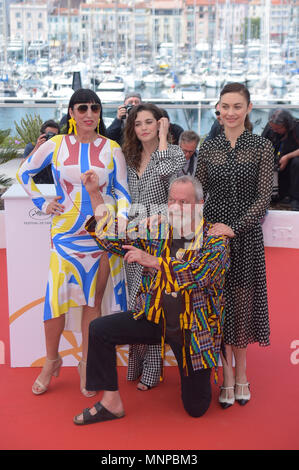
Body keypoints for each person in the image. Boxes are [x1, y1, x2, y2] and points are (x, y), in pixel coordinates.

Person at [72, 174, 230, 425]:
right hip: (154, 318)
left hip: (192, 329)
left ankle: (203, 372)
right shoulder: (156, 228)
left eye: (184, 202)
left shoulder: (215, 238)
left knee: (197, 407)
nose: (175, 207)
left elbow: (200, 274)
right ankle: (111, 402)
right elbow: (113, 240)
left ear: (199, 205)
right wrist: (94, 194)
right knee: (99, 329)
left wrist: (152, 261)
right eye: (171, 200)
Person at [16, 88, 130, 397]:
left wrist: (119, 218)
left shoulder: (112, 148)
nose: (89, 114)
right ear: (72, 113)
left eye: (94, 108)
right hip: (64, 235)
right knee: (55, 302)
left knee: (92, 303)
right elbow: (24, 173)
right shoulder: (55, 144)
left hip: (99, 236)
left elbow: (122, 191)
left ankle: (85, 364)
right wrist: (42, 203)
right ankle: (52, 361)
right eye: (82, 108)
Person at [195, 82, 274, 409]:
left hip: (244, 235)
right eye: (224, 106)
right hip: (213, 237)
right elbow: (199, 193)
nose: (230, 112)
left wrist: (235, 226)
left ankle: (241, 373)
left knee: (239, 306)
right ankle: (225, 374)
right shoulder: (207, 147)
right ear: (218, 108)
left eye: (236, 106)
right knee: (216, 307)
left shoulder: (262, 147)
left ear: (248, 108)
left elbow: (265, 196)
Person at [122, 102, 187, 391]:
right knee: (134, 302)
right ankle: (135, 363)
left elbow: (173, 185)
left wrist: (162, 140)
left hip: (161, 238)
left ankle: (153, 367)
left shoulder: (172, 153)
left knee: (153, 305)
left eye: (150, 122)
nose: (144, 128)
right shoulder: (128, 156)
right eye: (138, 124)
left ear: (160, 124)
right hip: (133, 236)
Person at [261, 108, 299, 211]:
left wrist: (287, 157)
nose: (275, 131)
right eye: (273, 128)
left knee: (297, 162)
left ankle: (295, 199)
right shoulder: (270, 128)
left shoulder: (296, 127)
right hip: (277, 160)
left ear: (287, 125)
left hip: (292, 160)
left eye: (278, 129)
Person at [22, 119, 60, 184]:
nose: (52, 138)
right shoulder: (31, 147)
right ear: (42, 135)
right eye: (50, 135)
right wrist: (37, 148)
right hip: (36, 184)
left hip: (54, 185)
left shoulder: (60, 147)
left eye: (55, 136)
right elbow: (22, 167)